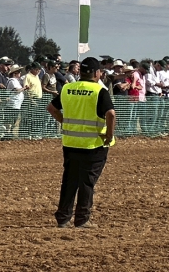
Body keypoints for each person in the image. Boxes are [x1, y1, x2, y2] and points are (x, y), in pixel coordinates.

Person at [46, 56, 116, 229]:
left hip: (70, 143)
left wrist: (65, 122)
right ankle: (82, 219)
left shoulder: (68, 88)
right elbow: (111, 114)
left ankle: (63, 218)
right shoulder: (99, 91)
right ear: (96, 73)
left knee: (70, 180)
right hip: (93, 145)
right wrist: (109, 135)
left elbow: (51, 108)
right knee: (87, 182)